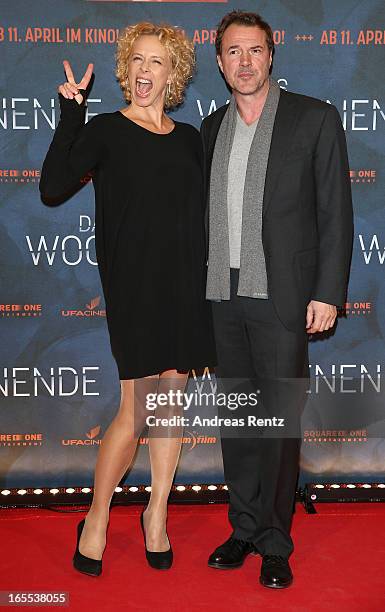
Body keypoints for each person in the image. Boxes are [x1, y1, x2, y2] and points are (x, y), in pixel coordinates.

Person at [39, 21, 216, 576]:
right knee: (136, 409)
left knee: (170, 407)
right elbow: (51, 188)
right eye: (137, 60)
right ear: (126, 69)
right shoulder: (108, 130)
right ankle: (97, 515)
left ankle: (156, 515)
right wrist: (71, 113)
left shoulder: (190, 138)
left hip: (187, 286)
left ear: (174, 74)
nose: (144, 70)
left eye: (156, 61)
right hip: (135, 286)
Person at [200, 11, 353, 588]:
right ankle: (242, 526)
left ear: (272, 56)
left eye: (254, 51)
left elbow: (336, 213)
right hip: (223, 294)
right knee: (237, 419)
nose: (244, 62)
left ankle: (274, 539)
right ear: (220, 62)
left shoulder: (314, 119)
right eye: (233, 52)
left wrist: (328, 292)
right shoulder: (212, 128)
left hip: (285, 296)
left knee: (277, 424)